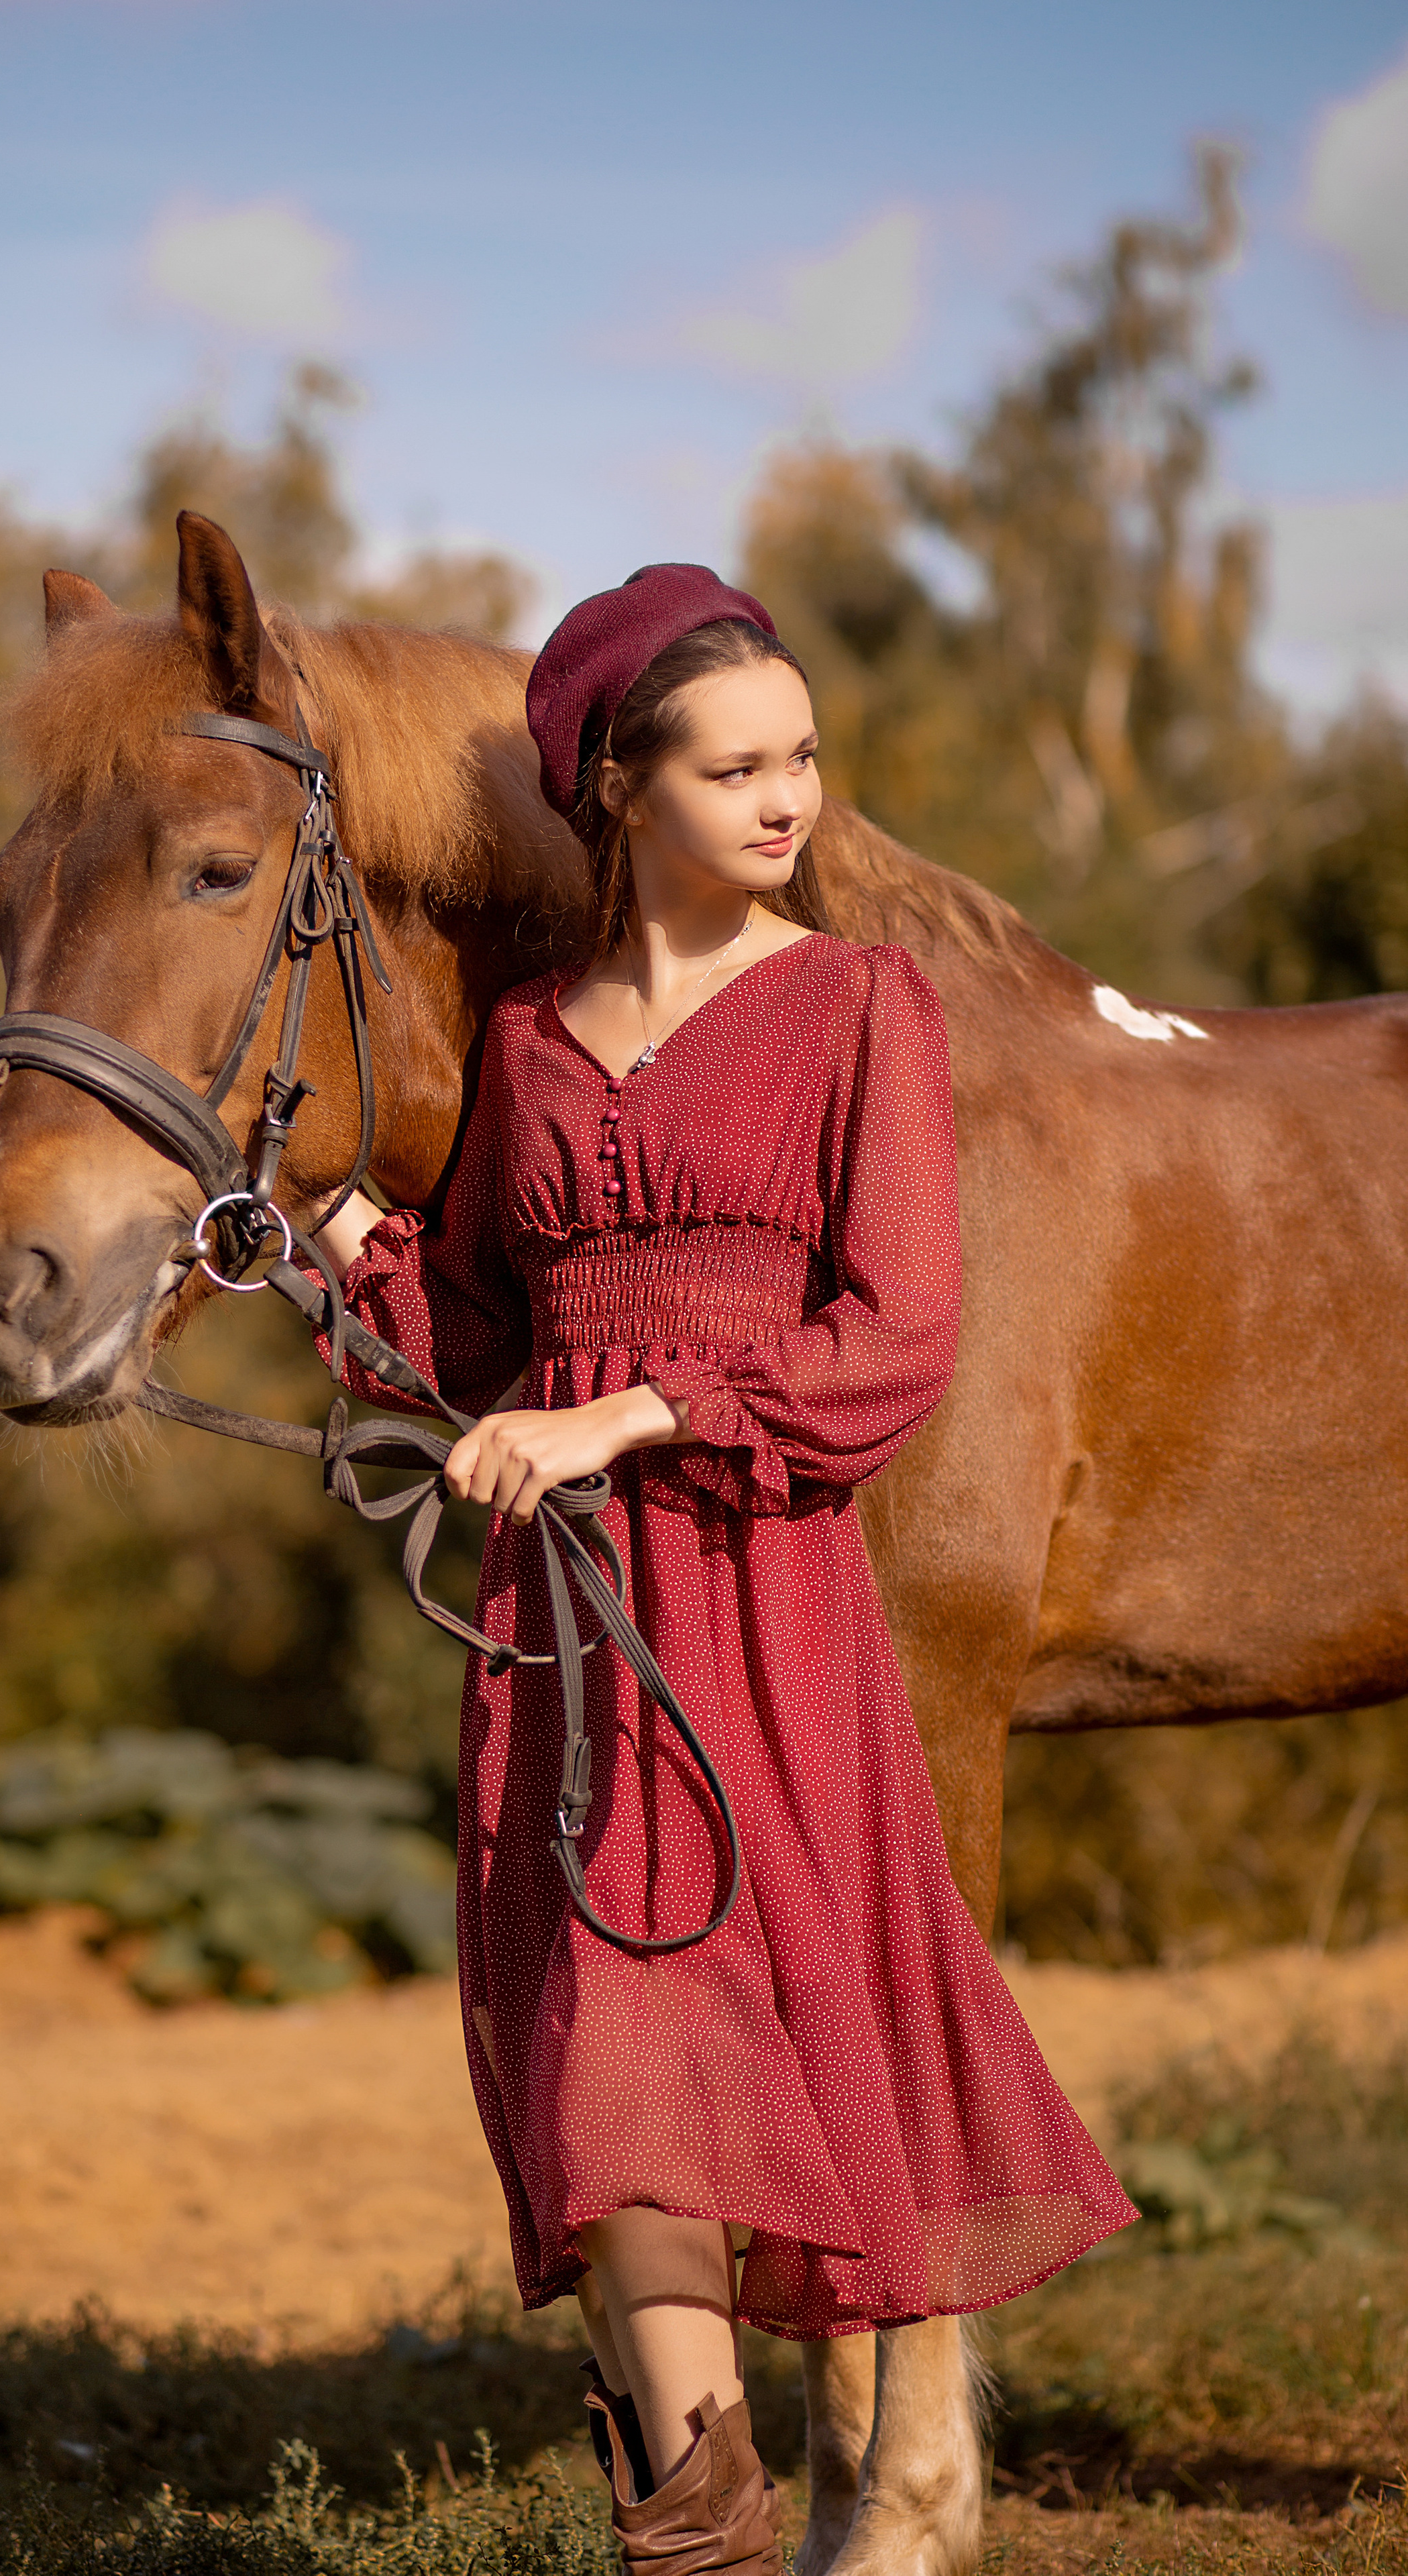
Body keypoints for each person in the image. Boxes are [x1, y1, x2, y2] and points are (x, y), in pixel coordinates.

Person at [309, 566, 1134, 2576]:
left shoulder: (862, 1005)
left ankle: (828, 2503)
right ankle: (705, 2536)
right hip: (567, 1633)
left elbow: (897, 1335)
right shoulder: (523, 1044)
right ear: (617, 785)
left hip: (765, 1601)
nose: (791, 801)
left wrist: (632, 1416)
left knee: (777, 2039)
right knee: (607, 2082)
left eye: (803, 759)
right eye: (739, 766)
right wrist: (349, 1259)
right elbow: (482, 1341)